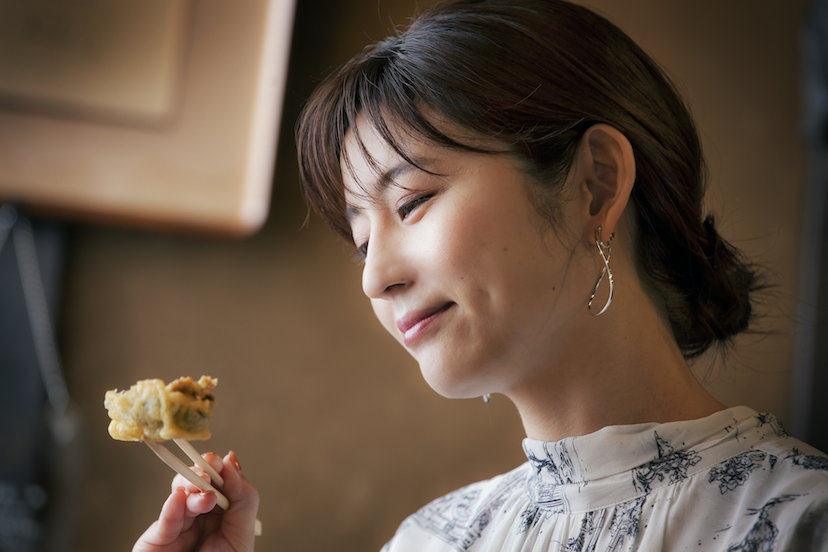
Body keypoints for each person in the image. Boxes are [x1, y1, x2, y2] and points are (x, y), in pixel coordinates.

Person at [133, 0, 828, 550]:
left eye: (412, 201)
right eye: (360, 239)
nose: (376, 278)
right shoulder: (429, 542)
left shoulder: (798, 522)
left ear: (596, 184)